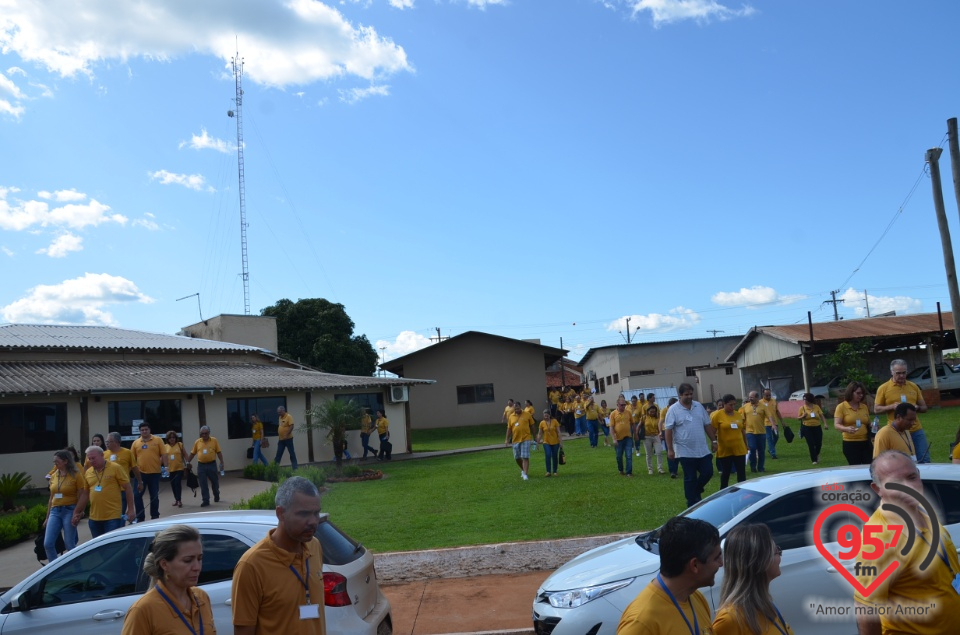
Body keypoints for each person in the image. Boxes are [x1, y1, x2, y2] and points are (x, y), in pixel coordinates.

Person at [854, 450, 960, 634]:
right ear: (877, 489)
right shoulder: (879, 540)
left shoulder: (921, 509)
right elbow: (866, 610)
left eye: (911, 477)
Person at [232, 476, 326, 635]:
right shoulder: (251, 565)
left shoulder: (314, 546)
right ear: (280, 513)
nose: (313, 521)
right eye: (304, 514)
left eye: (316, 513)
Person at [617, 516, 722, 634]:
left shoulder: (696, 598)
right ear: (695, 565)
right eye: (717, 557)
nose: (721, 563)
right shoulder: (641, 622)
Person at [121, 524, 216, 635]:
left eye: (199, 559)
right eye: (187, 560)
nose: (197, 567)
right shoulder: (142, 610)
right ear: (164, 564)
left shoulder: (202, 597)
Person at [712, 524, 793, 635]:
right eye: (776, 552)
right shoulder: (729, 620)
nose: (780, 557)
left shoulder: (765, 605)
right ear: (759, 561)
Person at [665, 383, 717, 507]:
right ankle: (691, 503)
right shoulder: (673, 410)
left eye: (691, 394)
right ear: (680, 395)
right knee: (690, 477)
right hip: (685, 451)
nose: (689, 397)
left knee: (708, 472)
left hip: (702, 449)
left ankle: (696, 491)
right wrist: (670, 450)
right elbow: (668, 430)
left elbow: (707, 425)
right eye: (686, 394)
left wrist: (714, 441)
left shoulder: (698, 406)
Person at [874, 359, 930, 463]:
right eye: (898, 373)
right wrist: (891, 407)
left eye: (904, 373)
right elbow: (876, 409)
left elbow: (924, 408)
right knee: (902, 462)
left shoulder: (913, 386)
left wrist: (917, 407)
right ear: (892, 372)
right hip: (896, 431)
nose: (901, 376)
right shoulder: (883, 388)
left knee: (924, 459)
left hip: (915, 429)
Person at [79, 445, 135, 538]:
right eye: (89, 459)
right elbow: (85, 494)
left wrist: (131, 510)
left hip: (112, 517)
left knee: (111, 547)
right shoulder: (88, 472)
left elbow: (128, 488)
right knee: (99, 547)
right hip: (94, 518)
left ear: (102, 455)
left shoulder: (115, 468)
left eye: (93, 458)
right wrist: (78, 512)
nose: (91, 461)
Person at [43, 449, 86, 561]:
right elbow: (51, 498)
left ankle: (76, 567)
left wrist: (79, 511)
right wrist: (47, 517)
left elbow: (82, 495)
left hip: (69, 510)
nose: (55, 464)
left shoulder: (76, 475)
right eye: (54, 462)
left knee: (69, 544)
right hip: (55, 511)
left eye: (57, 462)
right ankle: (55, 569)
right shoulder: (54, 476)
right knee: (48, 543)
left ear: (65, 461)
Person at [710, 394, 747, 489]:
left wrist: (746, 444)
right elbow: (712, 431)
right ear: (724, 404)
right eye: (730, 405)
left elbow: (742, 430)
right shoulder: (717, 415)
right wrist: (714, 442)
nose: (733, 407)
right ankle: (723, 492)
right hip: (725, 449)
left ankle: (742, 492)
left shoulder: (738, 414)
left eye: (734, 404)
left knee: (741, 473)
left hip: (739, 448)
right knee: (726, 473)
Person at [107, 431, 145, 522]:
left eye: (109, 441)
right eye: (106, 442)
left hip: (122, 489)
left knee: (120, 513)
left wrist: (140, 482)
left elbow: (134, 468)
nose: (106, 443)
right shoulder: (104, 454)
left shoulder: (127, 452)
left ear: (116, 442)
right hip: (108, 489)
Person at [132, 423, 166, 520]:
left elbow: (164, 454)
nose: (144, 431)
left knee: (154, 495)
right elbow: (132, 459)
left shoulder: (158, 440)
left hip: (154, 473)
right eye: (142, 430)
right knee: (137, 495)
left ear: (149, 430)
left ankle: (155, 515)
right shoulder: (136, 443)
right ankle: (140, 516)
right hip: (140, 474)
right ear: (140, 431)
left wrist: (166, 468)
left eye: (146, 429)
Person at [834, 381, 872, 465]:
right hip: (850, 443)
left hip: (866, 442)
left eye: (862, 393)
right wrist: (846, 429)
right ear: (851, 393)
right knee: (855, 467)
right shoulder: (841, 407)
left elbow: (867, 422)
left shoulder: (864, 407)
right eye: (858, 393)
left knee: (868, 466)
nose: (861, 395)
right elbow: (836, 425)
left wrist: (872, 425)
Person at [188, 426, 224, 507]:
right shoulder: (197, 442)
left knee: (215, 482)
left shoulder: (214, 440)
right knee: (203, 483)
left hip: (212, 465)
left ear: (209, 433)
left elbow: (219, 452)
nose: (204, 435)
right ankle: (205, 500)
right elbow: (192, 453)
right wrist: (188, 462)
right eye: (202, 433)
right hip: (201, 466)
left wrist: (222, 462)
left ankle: (216, 494)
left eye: (205, 433)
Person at [740, 392, 773, 474]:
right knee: (752, 448)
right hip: (750, 432)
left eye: (752, 397)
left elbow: (769, 416)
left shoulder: (763, 407)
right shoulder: (745, 406)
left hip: (761, 432)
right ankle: (753, 467)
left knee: (761, 450)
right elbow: (742, 418)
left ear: (757, 398)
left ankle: (761, 467)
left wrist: (773, 424)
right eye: (749, 397)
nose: (750, 398)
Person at [505, 402, 534, 480]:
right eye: (515, 409)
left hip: (526, 438)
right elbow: (509, 429)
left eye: (518, 408)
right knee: (517, 457)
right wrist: (507, 439)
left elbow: (532, 426)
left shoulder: (527, 414)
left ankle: (525, 474)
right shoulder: (511, 416)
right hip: (515, 439)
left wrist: (535, 436)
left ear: (520, 407)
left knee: (525, 456)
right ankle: (523, 470)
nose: (517, 410)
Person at [796, 392, 827, 464]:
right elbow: (798, 418)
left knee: (818, 443)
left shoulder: (816, 407)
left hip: (817, 427)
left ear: (810, 400)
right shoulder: (802, 408)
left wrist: (825, 424)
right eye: (804, 400)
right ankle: (814, 460)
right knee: (811, 444)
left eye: (806, 400)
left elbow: (821, 416)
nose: (804, 401)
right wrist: (802, 416)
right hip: (807, 428)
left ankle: (816, 454)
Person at [610, 398, 635, 477]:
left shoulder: (628, 413)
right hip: (618, 438)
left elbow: (633, 423)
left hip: (628, 437)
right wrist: (614, 439)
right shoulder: (613, 414)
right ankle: (621, 469)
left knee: (628, 455)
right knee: (619, 456)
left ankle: (629, 472)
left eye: (624, 405)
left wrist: (636, 434)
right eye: (622, 405)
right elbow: (611, 427)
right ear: (617, 405)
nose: (623, 406)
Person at [640, 403, 665, 475]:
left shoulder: (658, 418)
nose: (652, 413)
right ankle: (650, 469)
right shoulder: (644, 418)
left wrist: (660, 433)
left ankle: (660, 468)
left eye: (654, 412)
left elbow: (660, 427)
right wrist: (637, 435)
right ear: (648, 411)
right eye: (651, 412)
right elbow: (639, 426)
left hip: (656, 436)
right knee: (649, 454)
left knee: (659, 452)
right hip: (647, 437)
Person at [164, 430, 186, 508]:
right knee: (173, 485)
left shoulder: (180, 445)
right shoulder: (165, 446)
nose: (172, 439)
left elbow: (185, 455)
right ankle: (176, 499)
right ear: (168, 439)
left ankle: (179, 500)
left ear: (176, 438)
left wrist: (188, 463)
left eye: (173, 437)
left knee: (177, 484)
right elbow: (164, 458)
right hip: (170, 469)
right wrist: (165, 467)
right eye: (170, 438)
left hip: (179, 468)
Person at [537, 408, 562, 477]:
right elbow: (539, 433)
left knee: (554, 456)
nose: (546, 417)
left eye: (547, 415)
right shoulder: (542, 423)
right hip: (546, 442)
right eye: (545, 415)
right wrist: (537, 442)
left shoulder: (555, 421)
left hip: (555, 442)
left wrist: (561, 442)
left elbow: (558, 432)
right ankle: (548, 471)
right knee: (548, 455)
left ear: (549, 415)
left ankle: (555, 471)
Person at [660, 397, 680, 479]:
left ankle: (675, 469)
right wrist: (660, 432)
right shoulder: (665, 410)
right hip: (667, 431)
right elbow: (660, 422)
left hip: (677, 432)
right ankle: (672, 471)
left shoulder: (679, 409)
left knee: (677, 450)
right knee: (670, 450)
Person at [760, 389, 782, 460]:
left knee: (776, 437)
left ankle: (770, 448)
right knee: (769, 438)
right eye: (767, 395)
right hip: (766, 423)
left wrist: (782, 421)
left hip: (775, 423)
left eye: (769, 395)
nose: (768, 396)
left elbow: (777, 411)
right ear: (763, 395)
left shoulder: (774, 401)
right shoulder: (760, 402)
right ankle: (773, 454)